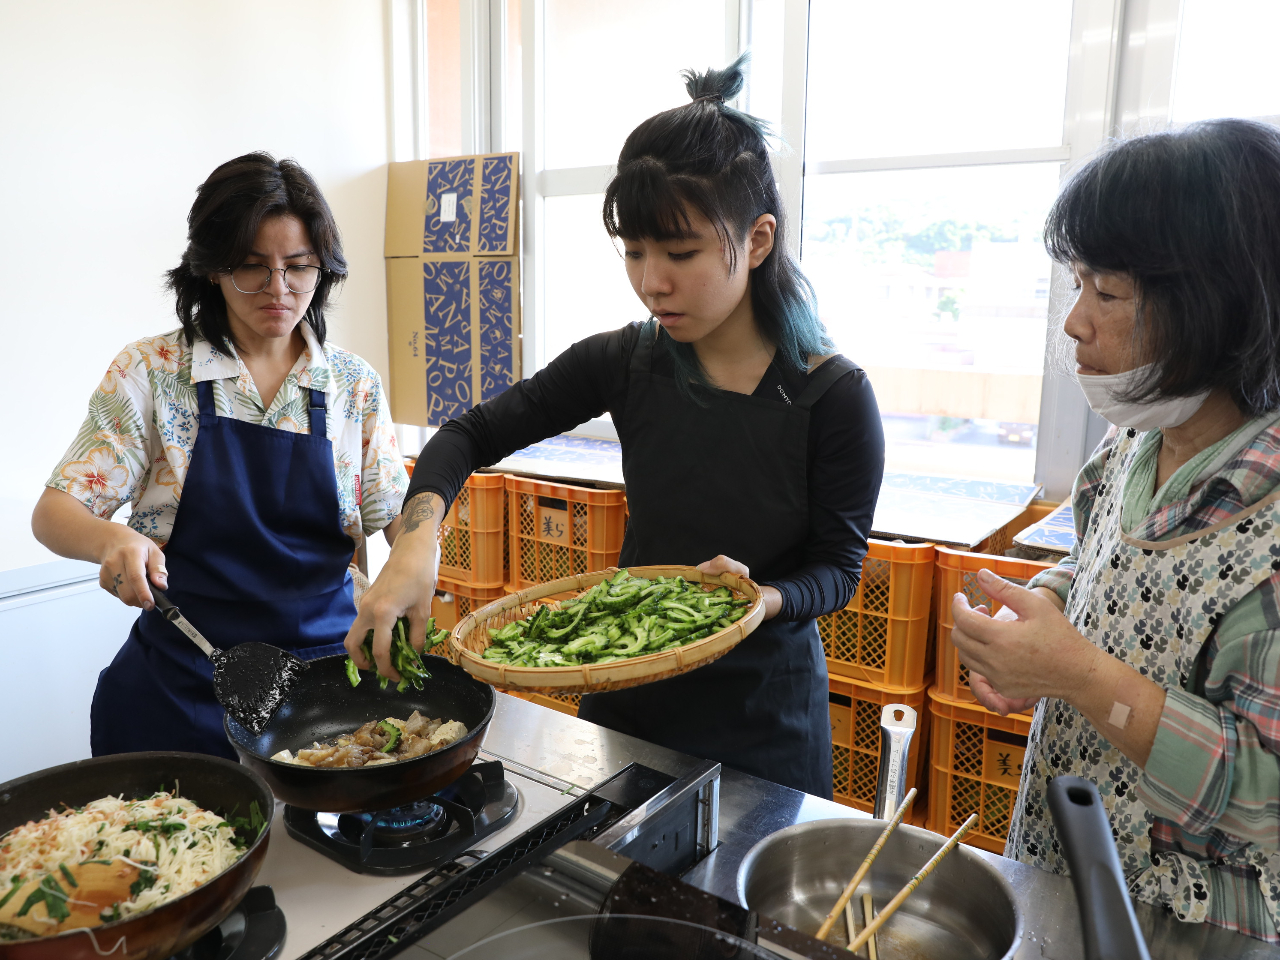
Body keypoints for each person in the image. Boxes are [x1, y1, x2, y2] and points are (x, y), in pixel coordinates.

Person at [349, 57, 884, 797]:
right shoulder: (627, 361)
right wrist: (415, 541)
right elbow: (467, 435)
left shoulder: (834, 396)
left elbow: (838, 569)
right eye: (634, 251)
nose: (651, 280)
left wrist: (764, 598)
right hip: (628, 699)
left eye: (681, 252)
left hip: (766, 719)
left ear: (757, 241)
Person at [950, 119, 1280, 941]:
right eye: (1076, 285)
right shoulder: (1135, 438)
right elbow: (1097, 561)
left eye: (1107, 293)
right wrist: (1038, 614)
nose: (1074, 324)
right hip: (1059, 861)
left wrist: (1081, 676)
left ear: (1214, 303)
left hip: (1178, 925)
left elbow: (1266, 794)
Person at [32, 153, 408, 760]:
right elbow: (53, 513)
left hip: (328, 698)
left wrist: (417, 556)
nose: (279, 290)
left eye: (298, 267)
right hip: (184, 687)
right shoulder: (152, 372)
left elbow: (395, 513)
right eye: (252, 268)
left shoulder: (351, 384)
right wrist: (110, 540)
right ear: (210, 268)